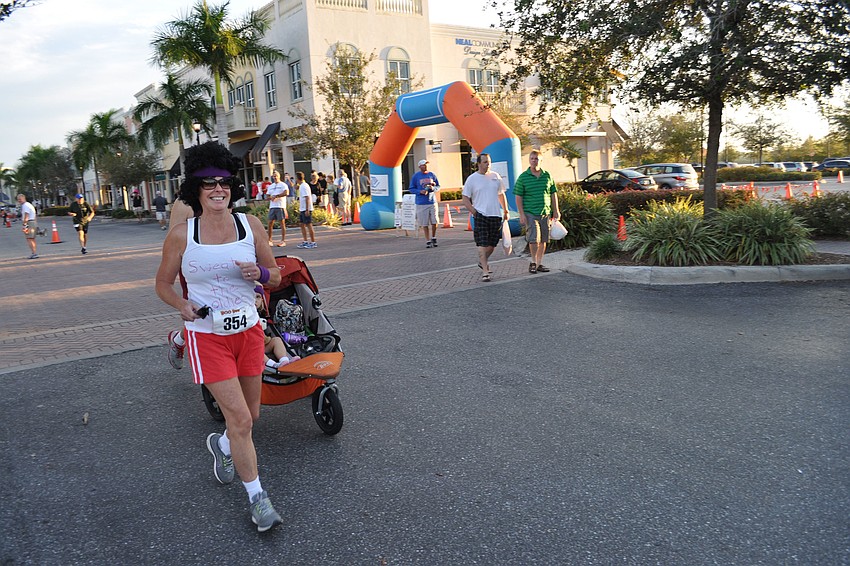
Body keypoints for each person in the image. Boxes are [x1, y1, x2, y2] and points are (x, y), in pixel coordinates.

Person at [154, 141, 284, 532]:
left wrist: (260, 274)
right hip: (206, 336)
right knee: (240, 417)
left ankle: (223, 444)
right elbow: (162, 284)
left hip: (249, 332)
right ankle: (258, 500)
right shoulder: (183, 235)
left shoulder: (250, 225)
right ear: (196, 188)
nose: (217, 189)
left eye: (224, 182)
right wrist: (182, 305)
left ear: (233, 186)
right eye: (208, 182)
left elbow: (276, 275)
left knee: (251, 417)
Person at [461, 153, 509, 282]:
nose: (488, 165)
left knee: (492, 245)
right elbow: (465, 197)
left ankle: (482, 261)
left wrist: (505, 210)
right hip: (481, 215)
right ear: (478, 164)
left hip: (495, 215)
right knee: (482, 243)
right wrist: (473, 211)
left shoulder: (495, 176)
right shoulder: (472, 179)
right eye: (485, 162)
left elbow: (501, 194)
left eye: (489, 162)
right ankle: (485, 272)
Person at [514, 150, 561, 274]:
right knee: (534, 239)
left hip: (545, 213)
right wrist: (521, 214)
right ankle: (533, 262)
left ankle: (539, 263)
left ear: (541, 161)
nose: (534, 161)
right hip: (530, 213)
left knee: (544, 239)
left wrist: (556, 210)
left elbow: (553, 194)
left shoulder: (547, 176)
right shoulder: (523, 177)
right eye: (532, 158)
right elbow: (518, 196)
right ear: (529, 160)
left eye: (536, 159)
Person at [408, 159, 441, 248]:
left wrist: (433, 188)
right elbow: (411, 189)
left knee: (435, 221)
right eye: (423, 165)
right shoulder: (416, 176)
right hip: (421, 203)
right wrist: (420, 191)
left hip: (432, 201)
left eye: (426, 164)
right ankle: (428, 240)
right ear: (419, 166)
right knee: (424, 223)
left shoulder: (432, 175)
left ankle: (433, 237)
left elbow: (438, 186)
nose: (425, 166)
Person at [265, 170, 289, 247]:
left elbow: (286, 193)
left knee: (282, 223)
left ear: (279, 176)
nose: (275, 177)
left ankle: (283, 240)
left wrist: (277, 196)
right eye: (274, 176)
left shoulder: (283, 185)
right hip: (272, 206)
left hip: (280, 206)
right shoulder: (271, 186)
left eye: (276, 176)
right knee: (270, 223)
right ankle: (270, 240)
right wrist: (270, 197)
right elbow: (267, 195)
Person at [295, 171, 316, 249]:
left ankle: (313, 242)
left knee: (309, 225)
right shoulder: (301, 186)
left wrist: (307, 209)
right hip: (302, 208)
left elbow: (307, 198)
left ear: (298, 178)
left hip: (306, 209)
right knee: (302, 224)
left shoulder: (304, 186)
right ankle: (305, 241)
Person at [17, 193, 38, 259]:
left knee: (29, 239)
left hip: (29, 223)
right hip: (33, 222)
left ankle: (34, 253)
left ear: (24, 198)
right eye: (18, 199)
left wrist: (24, 225)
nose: (19, 201)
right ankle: (34, 252)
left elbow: (26, 216)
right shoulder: (29, 205)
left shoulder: (25, 205)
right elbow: (34, 215)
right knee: (32, 238)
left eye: (20, 199)